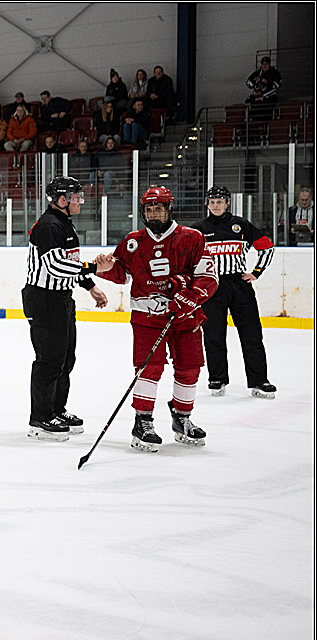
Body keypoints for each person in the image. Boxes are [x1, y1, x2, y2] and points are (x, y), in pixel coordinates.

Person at [94, 187, 219, 451]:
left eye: (158, 208)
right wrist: (104, 268)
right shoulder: (133, 241)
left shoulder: (192, 237)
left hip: (185, 317)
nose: (153, 214)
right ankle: (143, 421)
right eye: (149, 209)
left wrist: (189, 298)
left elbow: (208, 277)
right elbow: (122, 274)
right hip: (147, 318)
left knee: (189, 368)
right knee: (148, 369)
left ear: (169, 209)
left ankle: (182, 418)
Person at [23, 176, 111, 440]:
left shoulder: (63, 224)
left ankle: (56, 410)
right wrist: (95, 268)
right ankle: (40, 418)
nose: (80, 201)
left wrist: (89, 285)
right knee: (49, 360)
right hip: (44, 300)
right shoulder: (49, 226)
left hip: (61, 299)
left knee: (65, 359)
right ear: (62, 200)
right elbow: (55, 266)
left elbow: (69, 262)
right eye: (75, 197)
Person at [192, 186, 277, 398]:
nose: (216, 205)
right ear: (207, 204)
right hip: (212, 287)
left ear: (227, 203)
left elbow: (267, 247)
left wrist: (256, 272)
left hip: (239, 285)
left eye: (220, 201)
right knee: (213, 335)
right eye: (212, 202)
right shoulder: (198, 229)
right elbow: (186, 257)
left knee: (252, 334)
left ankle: (259, 381)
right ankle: (217, 379)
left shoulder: (241, 225)